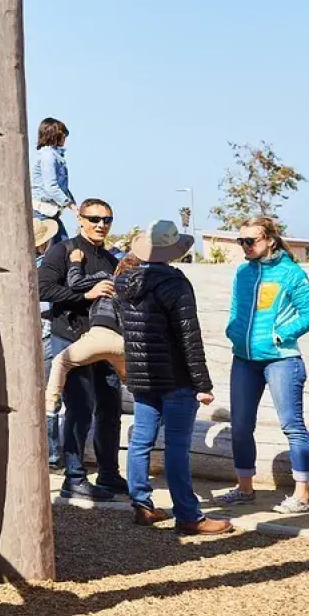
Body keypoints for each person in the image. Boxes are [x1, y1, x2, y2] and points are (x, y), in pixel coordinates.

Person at [116, 222, 232, 536]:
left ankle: (142, 504)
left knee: (140, 441)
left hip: (142, 377)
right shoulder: (175, 284)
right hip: (176, 377)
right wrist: (203, 384)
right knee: (177, 447)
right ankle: (188, 514)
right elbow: (188, 338)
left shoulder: (124, 283)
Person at [219, 216, 309, 513]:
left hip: (281, 360)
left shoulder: (292, 273)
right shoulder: (243, 272)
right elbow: (236, 308)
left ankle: (301, 494)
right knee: (239, 426)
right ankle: (245, 488)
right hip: (244, 359)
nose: (245, 246)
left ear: (270, 241)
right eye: (241, 241)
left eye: (251, 241)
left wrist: (281, 334)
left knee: (292, 425)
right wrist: (232, 330)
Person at [38, 198, 126, 501]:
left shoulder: (112, 260)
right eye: (94, 218)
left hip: (107, 343)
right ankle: (74, 477)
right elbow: (41, 287)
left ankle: (109, 475)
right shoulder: (62, 251)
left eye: (107, 219)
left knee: (110, 410)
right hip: (72, 338)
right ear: (81, 220)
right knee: (79, 407)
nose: (100, 224)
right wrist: (86, 294)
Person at [42, 242, 130, 409]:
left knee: (61, 362)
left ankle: (51, 403)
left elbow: (75, 283)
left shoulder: (106, 278)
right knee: (128, 381)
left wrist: (76, 263)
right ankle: (151, 405)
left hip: (97, 336)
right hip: (120, 342)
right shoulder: (132, 287)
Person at [34, 217, 63, 469]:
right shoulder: (48, 268)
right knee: (50, 394)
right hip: (47, 333)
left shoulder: (25, 266)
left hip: (30, 335)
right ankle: (51, 453)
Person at [32, 117, 76, 243]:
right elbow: (51, 186)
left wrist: (72, 204)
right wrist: (71, 205)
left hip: (51, 211)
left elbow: (62, 187)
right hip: (43, 211)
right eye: (63, 135)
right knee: (58, 249)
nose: (65, 138)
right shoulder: (48, 156)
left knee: (63, 247)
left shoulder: (54, 155)